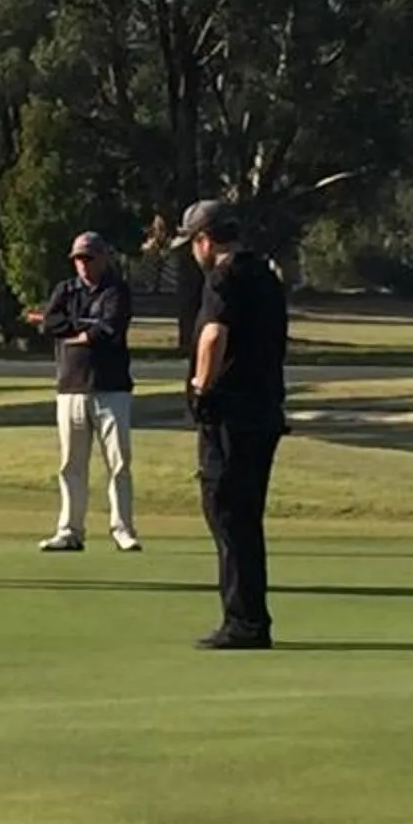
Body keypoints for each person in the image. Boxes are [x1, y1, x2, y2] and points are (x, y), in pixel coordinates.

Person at [178, 196, 288, 650]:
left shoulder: (223, 278)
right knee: (245, 518)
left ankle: (244, 622)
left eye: (192, 243)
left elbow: (213, 334)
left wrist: (201, 388)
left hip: (231, 415)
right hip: (264, 411)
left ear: (205, 240)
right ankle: (249, 617)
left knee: (227, 515)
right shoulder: (265, 274)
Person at [36, 231, 139, 551]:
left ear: (103, 258)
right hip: (70, 387)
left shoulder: (116, 290)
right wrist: (83, 327)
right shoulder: (66, 290)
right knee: (71, 464)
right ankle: (70, 530)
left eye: (89, 258)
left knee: (118, 463)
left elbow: (108, 329)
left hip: (111, 388)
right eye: (78, 258)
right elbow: (49, 323)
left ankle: (122, 528)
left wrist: (77, 331)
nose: (83, 264)